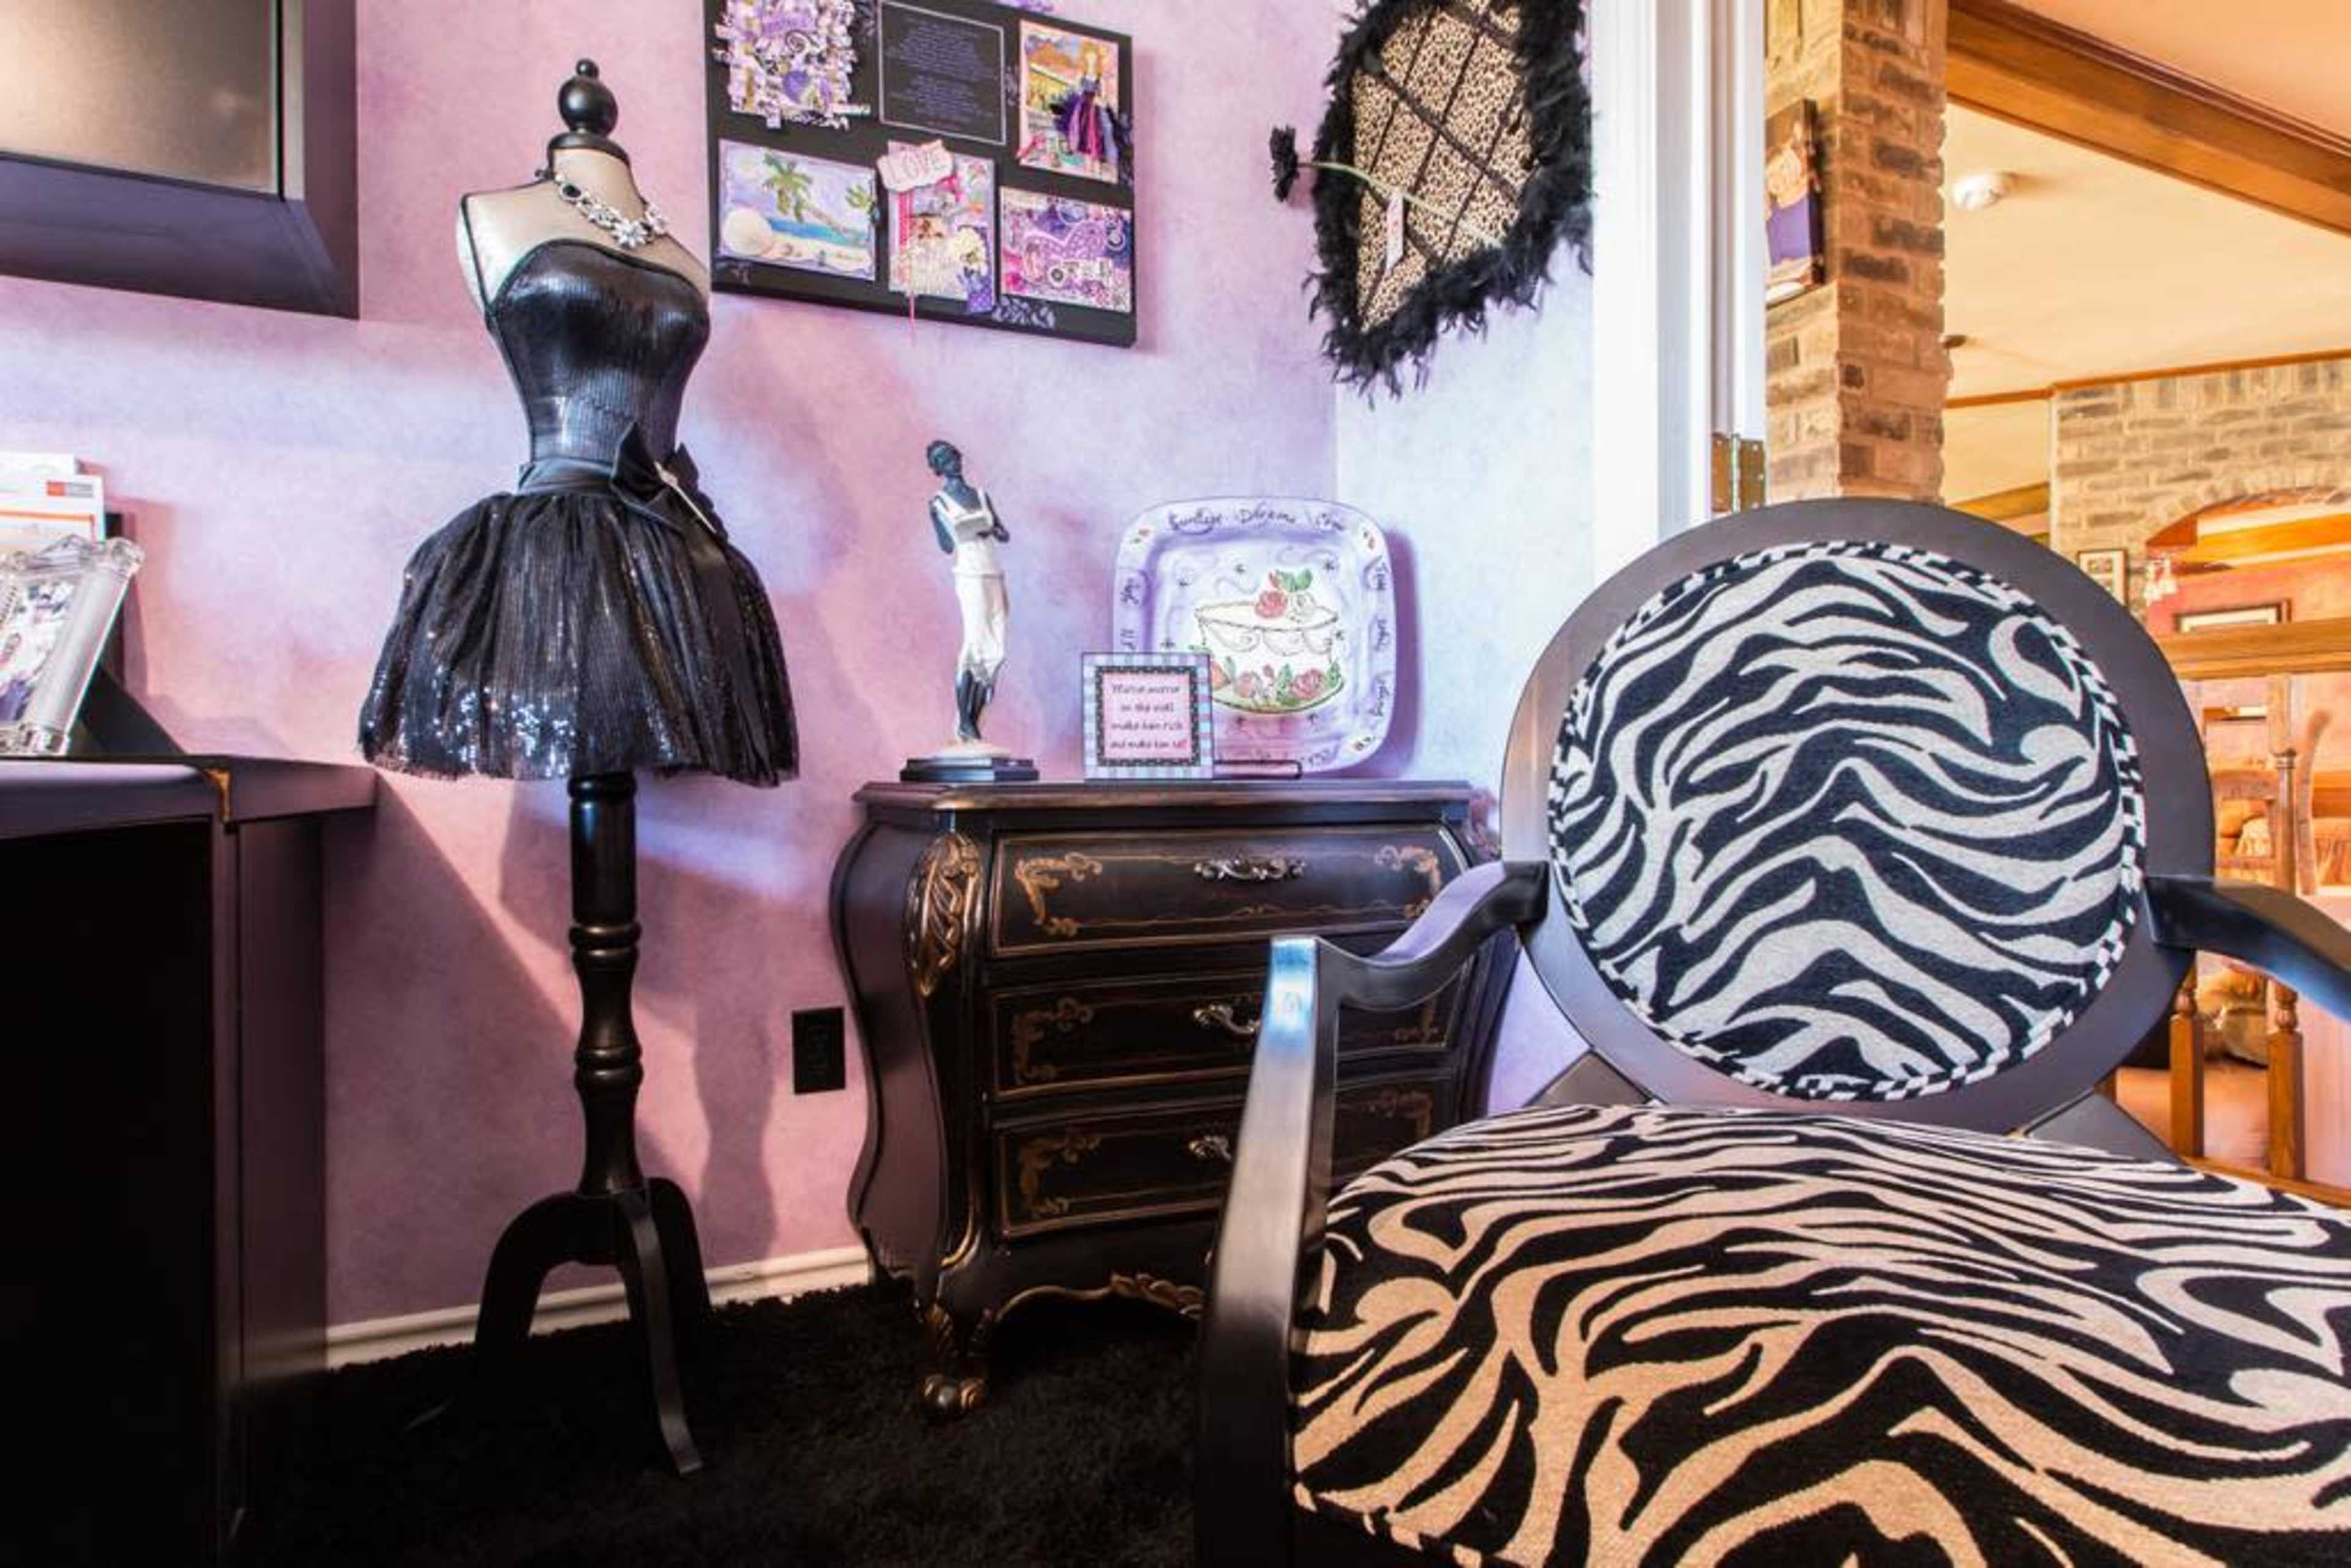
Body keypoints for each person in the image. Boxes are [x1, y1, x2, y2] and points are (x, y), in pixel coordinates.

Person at [925, 440, 1009, 743]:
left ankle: (973, 721)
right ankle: (965, 722)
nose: (952, 462)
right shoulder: (940, 502)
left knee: (996, 650)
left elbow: (1003, 533)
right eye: (943, 459)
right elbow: (947, 546)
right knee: (975, 645)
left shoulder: (981, 496)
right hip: (970, 574)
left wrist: (992, 530)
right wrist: (940, 521)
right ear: (937, 467)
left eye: (953, 456)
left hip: (993, 572)